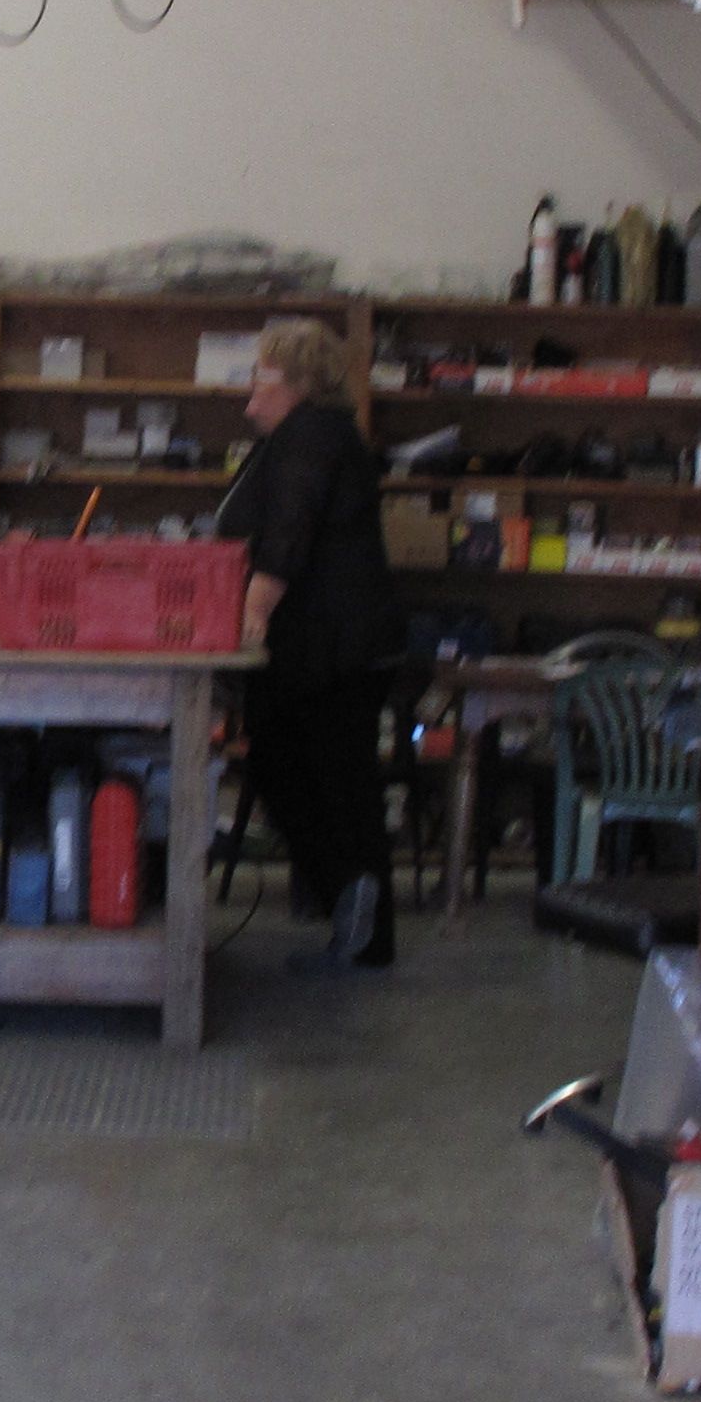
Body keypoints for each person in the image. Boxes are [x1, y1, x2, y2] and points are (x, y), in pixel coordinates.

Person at [216, 316, 403, 967]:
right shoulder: (298, 437)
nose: (251, 386)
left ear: (296, 382)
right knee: (292, 771)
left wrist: (253, 615)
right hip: (313, 648)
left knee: (334, 784)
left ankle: (363, 924)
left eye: (261, 374)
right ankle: (351, 910)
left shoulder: (313, 435)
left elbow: (288, 534)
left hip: (331, 650)